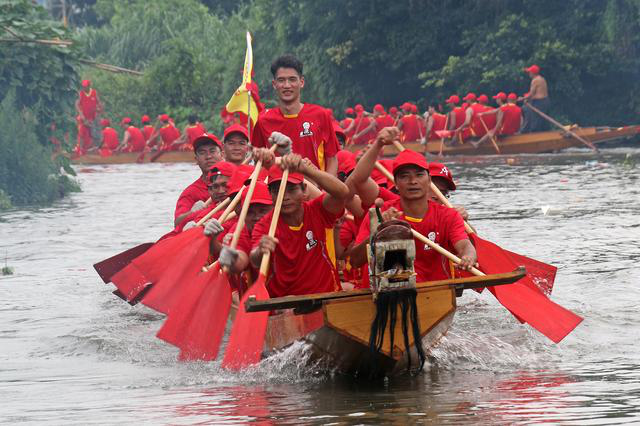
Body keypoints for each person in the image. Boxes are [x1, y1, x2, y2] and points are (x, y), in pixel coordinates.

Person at [349, 143, 477, 281]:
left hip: (435, 292)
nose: (413, 181)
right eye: (405, 176)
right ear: (396, 183)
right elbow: (355, 261)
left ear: (428, 181)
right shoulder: (382, 213)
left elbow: (465, 245)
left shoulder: (449, 215)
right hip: (388, 293)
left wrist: (468, 257)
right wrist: (379, 232)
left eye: (419, 175)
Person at [248, 149, 350, 297]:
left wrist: (306, 170)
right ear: (270, 194)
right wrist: (260, 250)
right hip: (286, 303)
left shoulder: (317, 209)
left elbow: (342, 192)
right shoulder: (265, 225)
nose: (285, 197)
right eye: (277, 191)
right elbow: (255, 260)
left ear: (304, 190)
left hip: (325, 296)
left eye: (291, 189)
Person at [252, 54, 339, 175]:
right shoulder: (263, 121)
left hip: (315, 190)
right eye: (281, 80)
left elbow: (332, 159)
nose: (287, 85)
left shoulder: (320, 115)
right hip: (280, 191)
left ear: (301, 82)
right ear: (274, 84)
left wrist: (327, 191)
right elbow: (258, 162)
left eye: (292, 79)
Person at [173, 133, 223, 227]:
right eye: (202, 153)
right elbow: (177, 224)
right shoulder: (190, 192)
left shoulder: (236, 181)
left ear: (222, 154)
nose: (208, 157)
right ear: (196, 159)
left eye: (212, 151)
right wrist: (191, 212)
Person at [520, 64, 550, 133]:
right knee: (544, 122)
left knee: (535, 122)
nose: (529, 74)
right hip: (545, 101)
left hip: (539, 102)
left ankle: (534, 136)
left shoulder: (535, 80)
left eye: (529, 72)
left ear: (533, 73)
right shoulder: (542, 78)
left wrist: (522, 99)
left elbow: (531, 94)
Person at [75, 79, 103, 148]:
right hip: (83, 117)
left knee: (92, 133)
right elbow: (77, 104)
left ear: (89, 86)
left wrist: (99, 109)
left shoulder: (94, 92)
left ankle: (90, 148)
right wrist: (81, 114)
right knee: (81, 132)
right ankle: (80, 148)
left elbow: (99, 102)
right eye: (83, 86)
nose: (84, 88)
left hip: (92, 117)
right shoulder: (81, 93)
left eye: (85, 86)